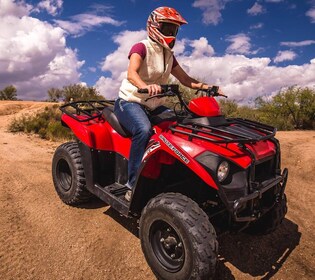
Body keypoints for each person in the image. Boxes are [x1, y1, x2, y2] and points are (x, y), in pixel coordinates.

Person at [114, 6, 225, 201]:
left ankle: (174, 175)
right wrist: (145, 86)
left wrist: (209, 87)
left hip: (153, 105)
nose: (171, 34)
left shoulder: (168, 55)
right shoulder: (140, 47)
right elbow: (131, 73)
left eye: (174, 30)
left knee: (181, 126)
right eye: (167, 28)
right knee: (143, 129)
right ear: (154, 26)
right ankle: (132, 184)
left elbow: (185, 79)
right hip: (131, 101)